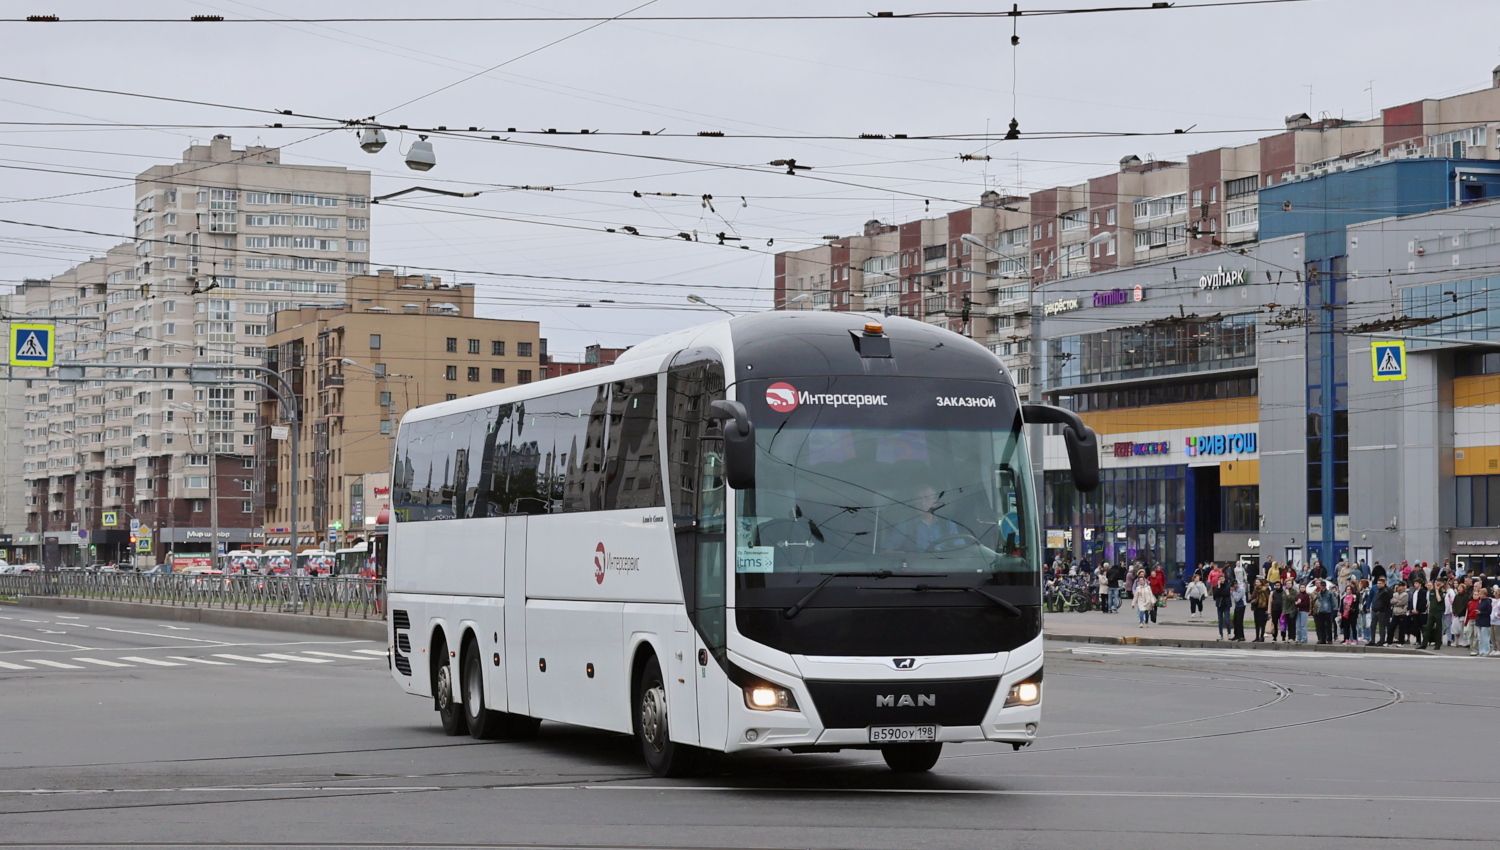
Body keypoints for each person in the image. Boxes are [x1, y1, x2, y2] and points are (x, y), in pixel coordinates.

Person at [886, 484, 965, 553]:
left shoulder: (948, 525)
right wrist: (898, 554)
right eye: (918, 499)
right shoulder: (904, 525)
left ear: (935, 502)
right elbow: (887, 551)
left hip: (945, 567)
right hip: (916, 568)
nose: (922, 503)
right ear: (914, 502)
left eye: (927, 498)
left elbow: (962, 551)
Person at [1424, 580, 1446, 651]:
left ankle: (1437, 645)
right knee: (1428, 628)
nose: (1437, 583)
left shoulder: (1443, 591)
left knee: (1438, 629)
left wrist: (1437, 590)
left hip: (1438, 612)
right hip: (1432, 612)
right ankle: (1424, 644)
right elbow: (1430, 602)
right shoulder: (1431, 591)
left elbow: (1439, 599)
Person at [1314, 580, 1338, 645]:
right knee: (1321, 626)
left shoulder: (1329, 593)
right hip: (1321, 610)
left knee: (1328, 626)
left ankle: (1329, 639)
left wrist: (1333, 609)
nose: (1323, 587)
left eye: (1324, 586)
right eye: (1322, 586)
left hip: (1328, 611)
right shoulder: (1319, 593)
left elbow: (1333, 602)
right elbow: (1319, 601)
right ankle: (1323, 639)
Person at [1370, 576, 1393, 646]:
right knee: (1372, 626)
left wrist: (1382, 610)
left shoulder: (1386, 591)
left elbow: (1387, 603)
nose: (1378, 585)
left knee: (1381, 627)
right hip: (1375, 610)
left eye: (1380, 583)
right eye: (1378, 583)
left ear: (1384, 583)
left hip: (1382, 612)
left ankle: (1381, 640)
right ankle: (1372, 640)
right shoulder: (1377, 590)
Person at [1411, 579, 1431, 650]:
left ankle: (1425, 640)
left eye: (1416, 583)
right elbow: (1412, 601)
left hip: (1421, 612)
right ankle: (1418, 640)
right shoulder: (1414, 592)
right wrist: (1412, 609)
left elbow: (1422, 602)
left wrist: (1418, 610)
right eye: (1414, 583)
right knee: (1416, 627)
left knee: (1423, 627)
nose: (1415, 585)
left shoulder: (1423, 592)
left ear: (1420, 584)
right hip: (1414, 611)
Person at [1390, 581, 1411, 645]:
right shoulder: (1395, 594)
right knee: (1391, 627)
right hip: (1395, 612)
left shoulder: (1405, 594)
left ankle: (1401, 642)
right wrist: (1396, 601)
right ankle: (1389, 641)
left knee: (1402, 629)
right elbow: (1391, 601)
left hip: (1402, 613)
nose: (1398, 587)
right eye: (1398, 586)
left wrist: (1396, 602)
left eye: (1400, 586)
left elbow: (1402, 603)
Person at [1451, 582, 1472, 648]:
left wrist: (1459, 612)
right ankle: (1457, 641)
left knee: (1462, 630)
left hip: (1462, 615)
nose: (1459, 589)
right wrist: (1454, 612)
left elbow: (1465, 606)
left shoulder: (1466, 597)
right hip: (1456, 615)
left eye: (1460, 588)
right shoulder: (1456, 596)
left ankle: (1464, 642)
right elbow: (1453, 605)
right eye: (1458, 588)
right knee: (1456, 629)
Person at [1213, 574, 1233, 640]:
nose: (1221, 580)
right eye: (1220, 579)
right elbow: (1215, 595)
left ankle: (1229, 633)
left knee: (1227, 620)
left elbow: (1226, 593)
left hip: (1226, 605)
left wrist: (1220, 591)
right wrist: (1218, 587)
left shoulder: (1227, 585)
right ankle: (1220, 634)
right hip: (1219, 605)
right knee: (1220, 620)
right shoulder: (1216, 587)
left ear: (1224, 579)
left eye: (1222, 579)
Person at [1268, 579, 1285, 643]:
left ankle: (1283, 637)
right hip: (1274, 611)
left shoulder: (1284, 592)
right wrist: (1269, 612)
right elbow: (1270, 602)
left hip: (1282, 611)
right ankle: (1274, 637)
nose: (1277, 586)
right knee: (1274, 624)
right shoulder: (1272, 592)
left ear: (1281, 586)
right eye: (1276, 585)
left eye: (1278, 585)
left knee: (1282, 624)